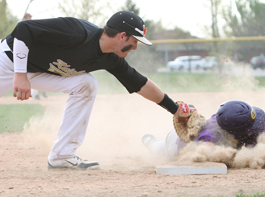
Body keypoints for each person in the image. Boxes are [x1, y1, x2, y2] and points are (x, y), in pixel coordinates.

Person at [0, 11, 187, 170]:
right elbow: (23, 29)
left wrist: (175, 109)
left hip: (38, 71)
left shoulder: (110, 58)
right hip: (8, 62)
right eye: (135, 41)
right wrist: (20, 73)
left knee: (86, 84)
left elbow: (140, 84)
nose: (136, 47)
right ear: (122, 36)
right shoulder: (76, 32)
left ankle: (62, 154)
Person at [142, 100, 265, 161]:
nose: (256, 128)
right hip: (175, 144)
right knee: (159, 149)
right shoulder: (211, 135)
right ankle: (149, 141)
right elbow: (203, 152)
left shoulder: (250, 120)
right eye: (250, 128)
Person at [22, 13, 48, 100]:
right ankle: (35, 93)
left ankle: (41, 91)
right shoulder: (21, 27)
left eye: (30, 17)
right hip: (24, 55)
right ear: (25, 18)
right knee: (32, 74)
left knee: (38, 73)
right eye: (28, 17)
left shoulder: (31, 26)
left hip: (33, 53)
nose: (29, 18)